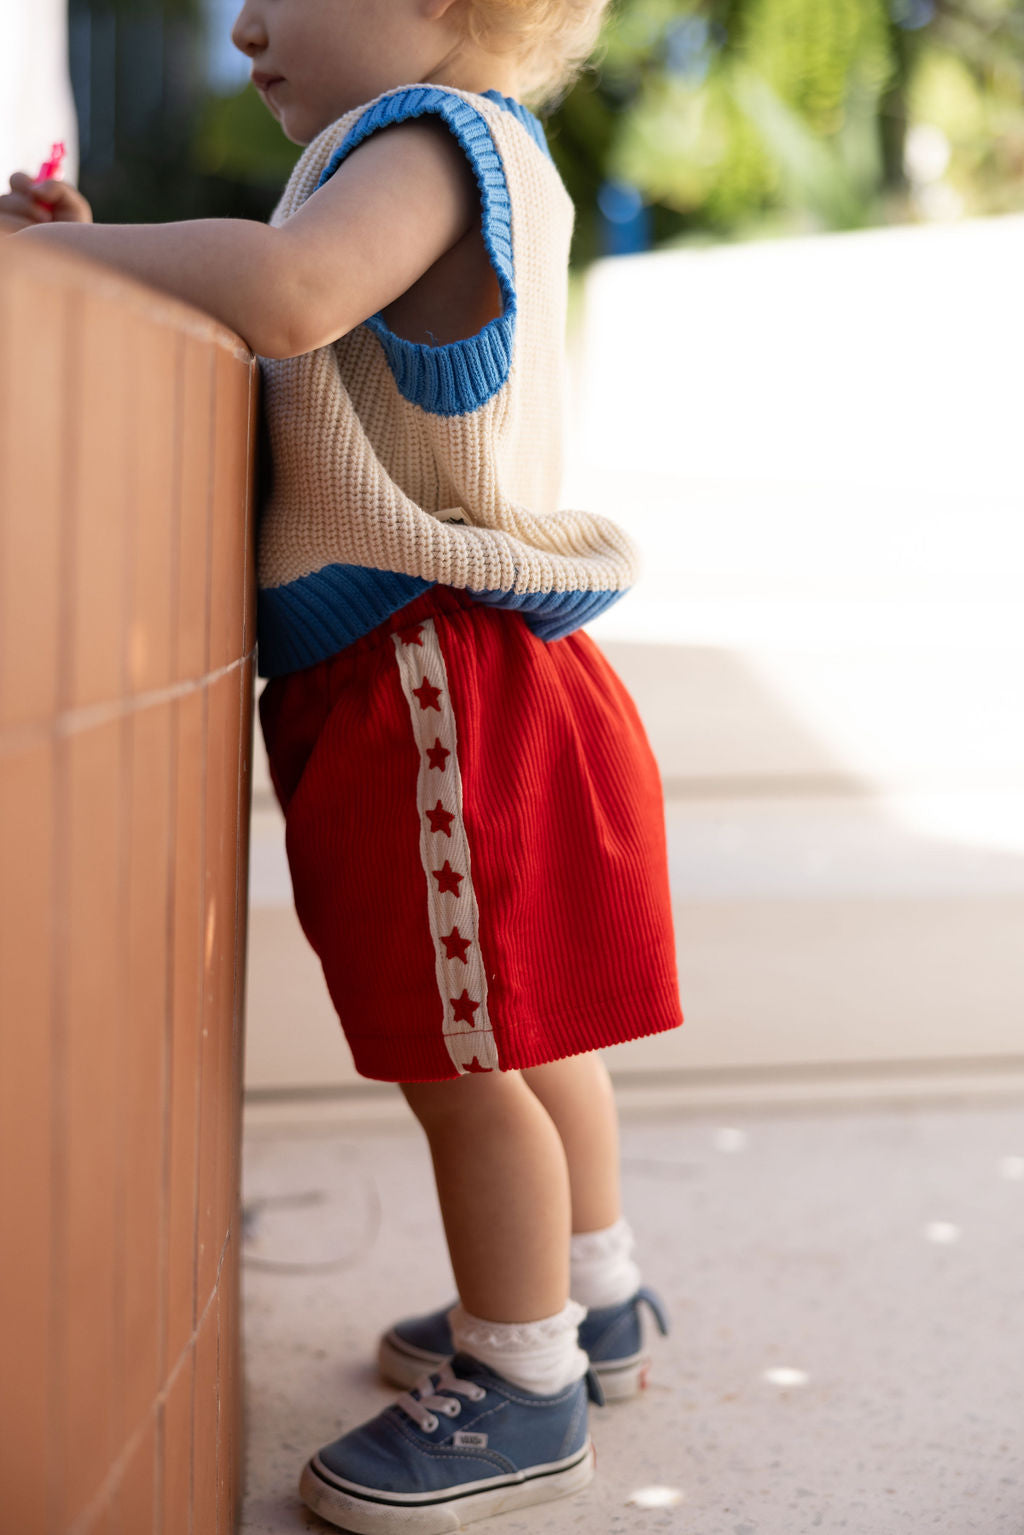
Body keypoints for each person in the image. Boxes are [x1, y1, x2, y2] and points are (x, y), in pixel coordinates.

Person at [2, 1, 683, 1527]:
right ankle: (593, 1295)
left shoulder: (433, 143)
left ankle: (524, 1382)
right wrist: (98, 249)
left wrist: (39, 264)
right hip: (473, 664)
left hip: (424, 673)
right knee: (521, 1023)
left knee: (459, 1062)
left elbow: (290, 295)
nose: (243, 23)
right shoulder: (472, 149)